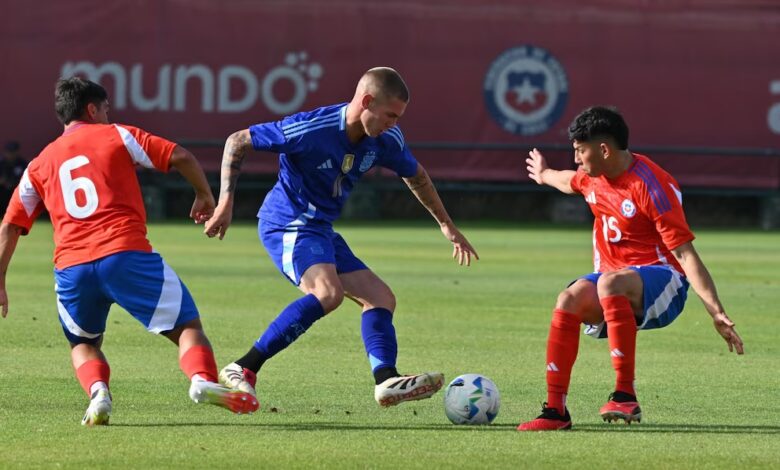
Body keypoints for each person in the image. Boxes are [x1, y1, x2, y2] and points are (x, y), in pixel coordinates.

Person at [203, 67, 479, 407]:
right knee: (327, 294)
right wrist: (226, 202)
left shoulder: (385, 139)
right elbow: (238, 140)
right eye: (390, 114)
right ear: (366, 101)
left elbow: (417, 176)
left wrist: (446, 225)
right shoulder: (311, 129)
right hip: (287, 223)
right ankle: (243, 368)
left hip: (321, 230)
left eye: (399, 116)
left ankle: (385, 380)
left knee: (380, 297)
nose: (395, 123)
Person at [0, 77, 258, 426]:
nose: (108, 114)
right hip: (126, 254)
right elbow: (180, 155)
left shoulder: (39, 163)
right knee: (186, 327)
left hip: (72, 268)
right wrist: (204, 194)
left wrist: (0, 281)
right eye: (105, 109)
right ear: (91, 109)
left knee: (82, 342)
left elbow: (9, 225)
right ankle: (201, 380)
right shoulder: (116, 134)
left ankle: (99, 394)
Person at [516, 106, 744, 431]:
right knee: (569, 298)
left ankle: (625, 395)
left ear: (604, 149)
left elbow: (685, 254)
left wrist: (715, 311)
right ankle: (555, 411)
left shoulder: (651, 187)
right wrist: (543, 174)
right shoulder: (594, 178)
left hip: (665, 283)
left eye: (581, 151)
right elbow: (569, 181)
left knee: (610, 283)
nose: (577, 159)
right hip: (617, 283)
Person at [0, 141, 28, 212]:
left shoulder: (22, 164)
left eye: (12, 152)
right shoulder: (1, 163)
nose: (10, 154)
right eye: (8, 152)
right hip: (2, 191)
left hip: (17, 191)